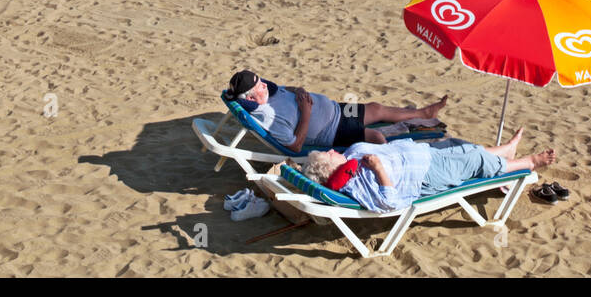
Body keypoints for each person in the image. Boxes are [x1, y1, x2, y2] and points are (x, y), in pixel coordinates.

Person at [302, 129, 554, 212]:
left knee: (464, 147)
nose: (333, 151)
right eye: (329, 154)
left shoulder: (349, 160)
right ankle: (529, 162)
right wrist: (379, 169)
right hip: (426, 175)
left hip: (422, 154)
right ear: (330, 166)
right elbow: (389, 203)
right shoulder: (355, 183)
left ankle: (506, 150)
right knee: (476, 160)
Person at [225, 69, 446, 152]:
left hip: (336, 110)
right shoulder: (269, 117)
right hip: (333, 132)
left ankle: (424, 114)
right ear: (251, 97)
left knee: (375, 108)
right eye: (259, 85)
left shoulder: (268, 92)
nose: (265, 84)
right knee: (377, 137)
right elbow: (295, 145)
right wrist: (306, 112)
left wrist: (299, 90)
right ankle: (399, 161)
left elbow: (286, 90)